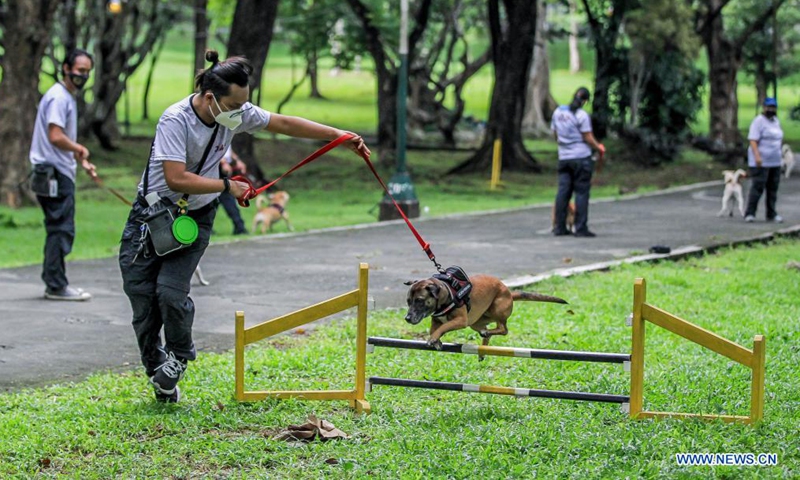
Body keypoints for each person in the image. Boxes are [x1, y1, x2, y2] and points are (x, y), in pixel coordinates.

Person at [118, 50, 370, 403]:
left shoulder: (234, 112)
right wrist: (226, 186)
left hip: (195, 216)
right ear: (210, 98)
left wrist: (339, 135)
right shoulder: (175, 120)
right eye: (235, 105)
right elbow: (175, 178)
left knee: (171, 293)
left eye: (244, 104)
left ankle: (178, 356)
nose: (241, 112)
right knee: (142, 297)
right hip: (153, 215)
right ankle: (157, 367)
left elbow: (283, 123)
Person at [29, 49, 96, 301]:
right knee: (61, 228)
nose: (83, 75)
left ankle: (55, 282)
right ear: (66, 68)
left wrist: (80, 159)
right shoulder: (59, 97)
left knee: (59, 228)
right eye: (79, 70)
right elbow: (55, 135)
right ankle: (56, 285)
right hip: (53, 173)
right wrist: (78, 148)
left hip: (57, 169)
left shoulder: (64, 96)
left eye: (87, 71)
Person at [551, 87, 605, 238]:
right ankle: (580, 228)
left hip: (564, 158)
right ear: (585, 101)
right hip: (581, 158)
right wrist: (598, 146)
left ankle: (559, 227)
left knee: (563, 192)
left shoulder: (558, 112)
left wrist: (563, 145)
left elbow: (555, 134)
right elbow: (587, 136)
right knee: (581, 193)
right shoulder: (581, 115)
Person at [745, 97, 784, 223]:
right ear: (764, 107)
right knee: (758, 187)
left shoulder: (775, 121)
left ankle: (771, 213)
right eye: (768, 107)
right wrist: (757, 156)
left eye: (773, 107)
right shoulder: (758, 121)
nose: (770, 109)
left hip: (775, 161)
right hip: (761, 161)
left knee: (772, 188)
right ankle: (750, 213)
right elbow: (753, 140)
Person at [217, 146, 248, 235]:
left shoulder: (227, 132)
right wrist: (223, 163)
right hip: (216, 169)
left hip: (225, 169)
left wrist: (238, 160)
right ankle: (239, 226)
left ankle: (239, 227)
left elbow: (227, 149)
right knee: (213, 199)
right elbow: (213, 150)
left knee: (228, 199)